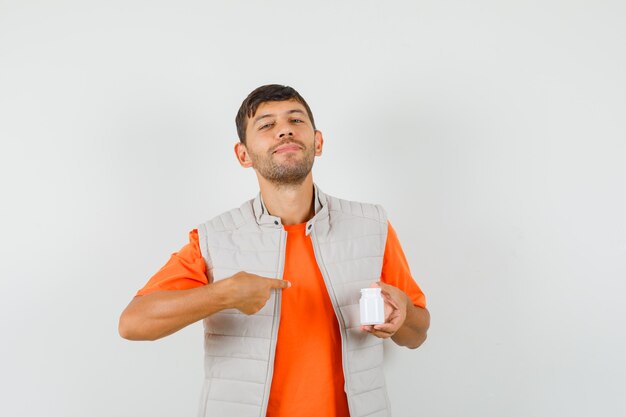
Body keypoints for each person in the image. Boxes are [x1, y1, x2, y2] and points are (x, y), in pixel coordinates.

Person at [118, 84, 430, 417]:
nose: (285, 129)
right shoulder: (214, 239)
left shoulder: (372, 226)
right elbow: (133, 323)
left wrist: (404, 317)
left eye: (296, 120)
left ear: (318, 142)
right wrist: (223, 295)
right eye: (267, 125)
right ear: (244, 155)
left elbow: (417, 334)